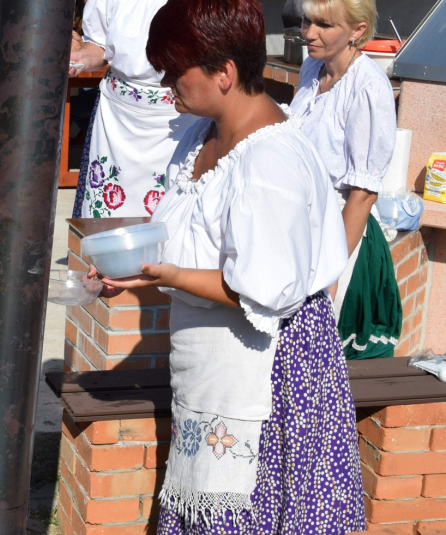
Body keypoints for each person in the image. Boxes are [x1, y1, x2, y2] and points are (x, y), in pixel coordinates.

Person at [93, 0, 365, 532]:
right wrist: (131, 270)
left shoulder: (270, 162)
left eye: (176, 72)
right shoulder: (201, 135)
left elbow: (262, 290)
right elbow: (186, 240)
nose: (169, 84)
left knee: (249, 510)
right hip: (213, 365)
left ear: (225, 72)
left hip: (271, 373)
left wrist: (162, 276)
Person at [290, 0, 400, 359]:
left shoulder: (369, 87)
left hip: (340, 235)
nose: (309, 33)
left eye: (323, 24)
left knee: (315, 359)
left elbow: (363, 194)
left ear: (357, 31)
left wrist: (329, 277)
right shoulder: (312, 67)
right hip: (300, 228)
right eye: (307, 21)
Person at [69, 0, 196, 219]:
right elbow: (99, 45)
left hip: (181, 120)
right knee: (105, 224)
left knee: (172, 220)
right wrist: (79, 58)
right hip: (117, 123)